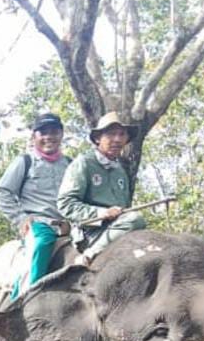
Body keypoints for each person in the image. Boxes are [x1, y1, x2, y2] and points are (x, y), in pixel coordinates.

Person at [0, 113, 71, 299]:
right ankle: (20, 302)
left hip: (69, 226)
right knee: (42, 244)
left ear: (61, 135)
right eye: (43, 132)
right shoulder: (25, 162)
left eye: (54, 131)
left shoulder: (71, 164)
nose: (48, 137)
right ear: (34, 137)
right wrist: (21, 218)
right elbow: (2, 193)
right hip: (39, 224)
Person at [58, 111, 147, 266]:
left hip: (117, 229)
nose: (117, 139)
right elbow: (65, 204)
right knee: (135, 219)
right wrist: (102, 213)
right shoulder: (84, 163)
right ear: (98, 138)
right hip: (90, 232)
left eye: (122, 135)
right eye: (111, 134)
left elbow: (124, 209)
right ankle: (89, 255)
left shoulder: (121, 171)